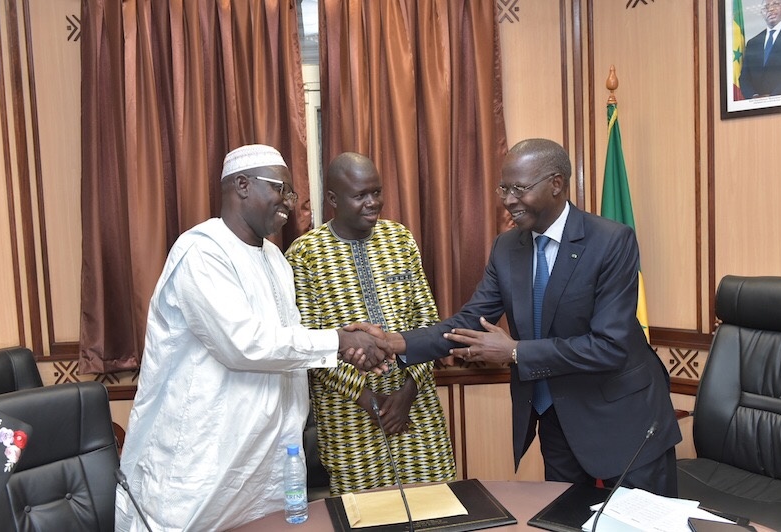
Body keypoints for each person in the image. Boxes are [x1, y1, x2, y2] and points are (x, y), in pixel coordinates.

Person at [350, 138, 682, 497]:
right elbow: (470, 320)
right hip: (557, 420)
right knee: (563, 519)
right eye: (503, 188)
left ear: (556, 184)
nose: (508, 199)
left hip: (625, 422)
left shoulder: (611, 241)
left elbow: (609, 346)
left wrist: (514, 352)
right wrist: (395, 342)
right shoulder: (507, 248)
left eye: (518, 189)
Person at [114, 144, 392, 532]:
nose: (289, 203)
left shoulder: (276, 261)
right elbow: (244, 344)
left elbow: (289, 342)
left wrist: (347, 348)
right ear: (242, 185)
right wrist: (340, 343)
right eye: (280, 188)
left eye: (292, 194)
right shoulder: (202, 251)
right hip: (202, 460)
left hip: (264, 462)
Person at [285, 152, 456, 495]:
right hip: (349, 415)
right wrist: (367, 398)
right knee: (365, 514)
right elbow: (307, 343)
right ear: (333, 199)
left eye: (376, 192)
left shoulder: (400, 240)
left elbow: (427, 322)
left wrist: (408, 391)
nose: (372, 203)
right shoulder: (305, 255)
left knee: (436, 503)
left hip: (415, 406)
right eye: (360, 195)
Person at [739, 0, 781, 98]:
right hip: (758, 106)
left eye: (775, 4)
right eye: (766, 7)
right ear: (761, 13)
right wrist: (754, 96)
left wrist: (773, 96)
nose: (770, 9)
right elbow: (744, 77)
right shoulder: (753, 43)